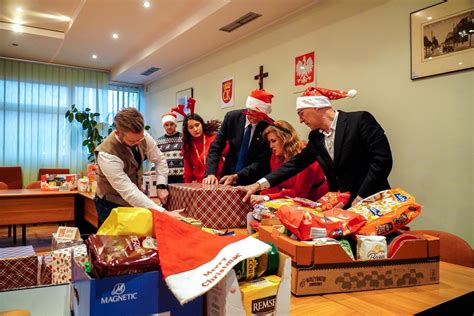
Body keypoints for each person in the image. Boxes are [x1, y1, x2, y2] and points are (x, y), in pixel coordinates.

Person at [240, 86, 393, 208]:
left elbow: (382, 162)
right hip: (342, 207)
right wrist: (257, 185)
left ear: (317, 107)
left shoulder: (359, 121)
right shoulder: (316, 138)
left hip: (372, 202)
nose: (300, 120)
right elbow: (295, 164)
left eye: (301, 113)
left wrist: (360, 198)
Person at [94, 107, 174, 226]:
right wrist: (162, 212)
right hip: (111, 203)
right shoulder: (107, 154)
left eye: (140, 139)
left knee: (135, 241)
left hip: (134, 199)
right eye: (132, 141)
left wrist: (161, 185)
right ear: (118, 133)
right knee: (115, 243)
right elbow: (128, 191)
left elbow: (160, 159)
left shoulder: (142, 136)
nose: (138, 144)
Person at [203, 89, 273, 186]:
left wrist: (238, 176)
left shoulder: (268, 127)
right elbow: (216, 146)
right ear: (248, 107)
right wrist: (210, 173)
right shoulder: (232, 118)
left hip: (252, 181)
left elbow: (261, 162)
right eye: (252, 112)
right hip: (227, 177)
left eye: (259, 115)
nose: (254, 117)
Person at [249, 120, 328, 206]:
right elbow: (275, 184)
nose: (271, 146)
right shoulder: (276, 156)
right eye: (269, 142)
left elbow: (299, 194)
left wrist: (267, 197)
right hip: (291, 200)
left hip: (316, 201)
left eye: (273, 141)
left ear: (286, 139)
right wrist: (262, 197)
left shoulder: (305, 157)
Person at [173, 99, 227, 183]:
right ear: (187, 130)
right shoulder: (187, 146)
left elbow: (231, 155)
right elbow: (188, 172)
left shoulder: (215, 138)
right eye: (191, 127)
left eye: (197, 125)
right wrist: (187, 189)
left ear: (202, 124)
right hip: (200, 185)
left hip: (219, 181)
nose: (195, 129)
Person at [156, 112, 184, 183]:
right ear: (163, 126)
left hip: (182, 176)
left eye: (171, 124)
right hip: (165, 177)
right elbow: (156, 158)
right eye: (166, 125)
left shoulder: (184, 138)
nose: (169, 127)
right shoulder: (159, 141)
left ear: (175, 125)